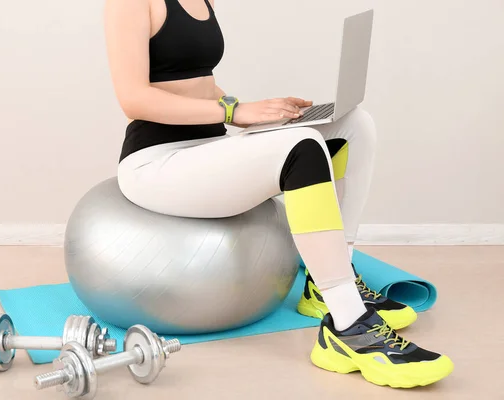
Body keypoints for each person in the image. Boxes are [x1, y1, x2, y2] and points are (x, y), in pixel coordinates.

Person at [105, 0, 453, 388]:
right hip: (157, 162)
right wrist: (235, 112)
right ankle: (349, 328)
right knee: (302, 149)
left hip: (207, 146)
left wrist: (266, 110)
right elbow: (133, 98)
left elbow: (198, 82)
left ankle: (328, 285)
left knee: (354, 125)